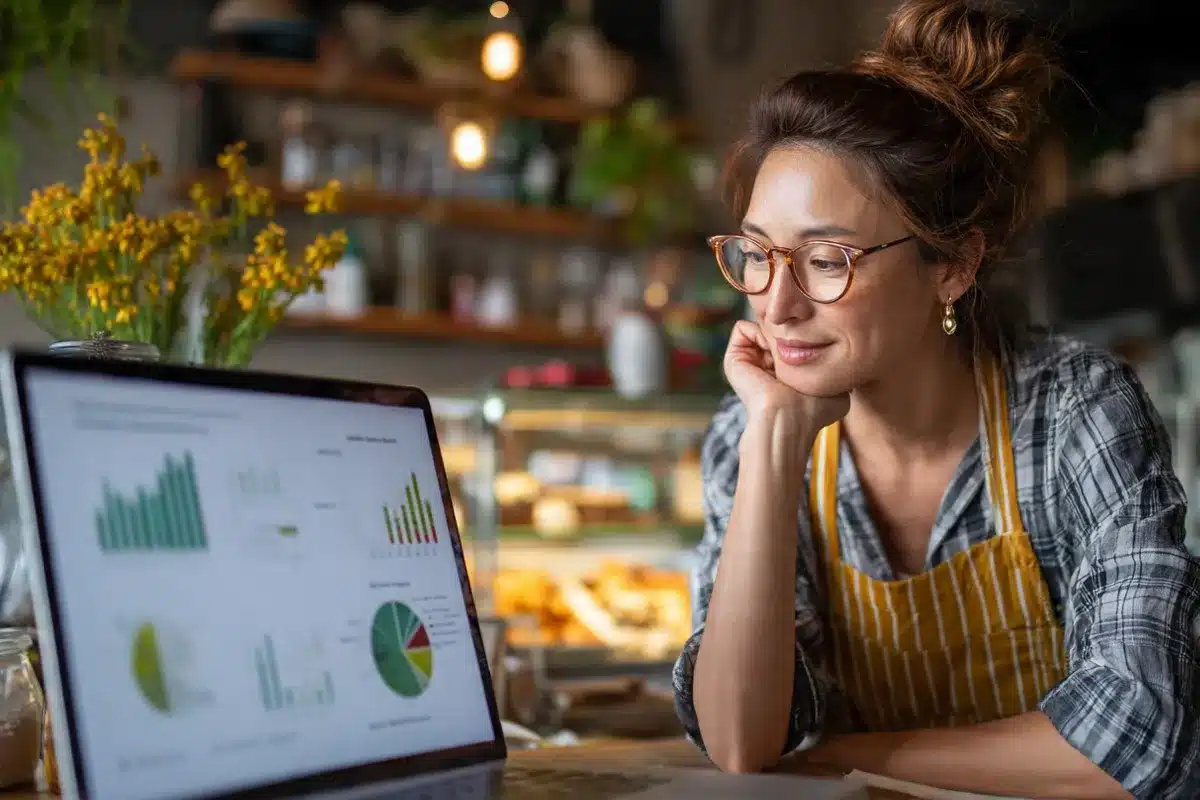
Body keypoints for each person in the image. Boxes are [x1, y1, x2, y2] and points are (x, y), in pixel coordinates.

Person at [671, 2, 1200, 799]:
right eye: (755, 253)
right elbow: (743, 742)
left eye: (826, 259)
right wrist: (774, 444)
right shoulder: (750, 429)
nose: (775, 305)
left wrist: (835, 756)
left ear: (951, 266)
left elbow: (1138, 739)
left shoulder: (1072, 412)